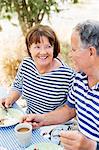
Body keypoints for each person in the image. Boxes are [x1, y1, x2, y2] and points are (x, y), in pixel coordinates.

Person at [21, 20, 99, 150]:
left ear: (91, 52)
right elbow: (69, 110)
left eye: (74, 50)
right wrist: (41, 119)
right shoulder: (79, 78)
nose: (70, 54)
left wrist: (92, 146)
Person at [0, 24, 75, 114]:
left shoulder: (67, 75)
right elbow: (17, 87)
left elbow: (71, 109)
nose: (43, 52)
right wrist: (9, 99)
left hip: (55, 125)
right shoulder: (26, 65)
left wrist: (42, 121)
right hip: (30, 120)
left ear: (54, 48)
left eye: (48, 46)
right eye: (37, 47)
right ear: (29, 48)